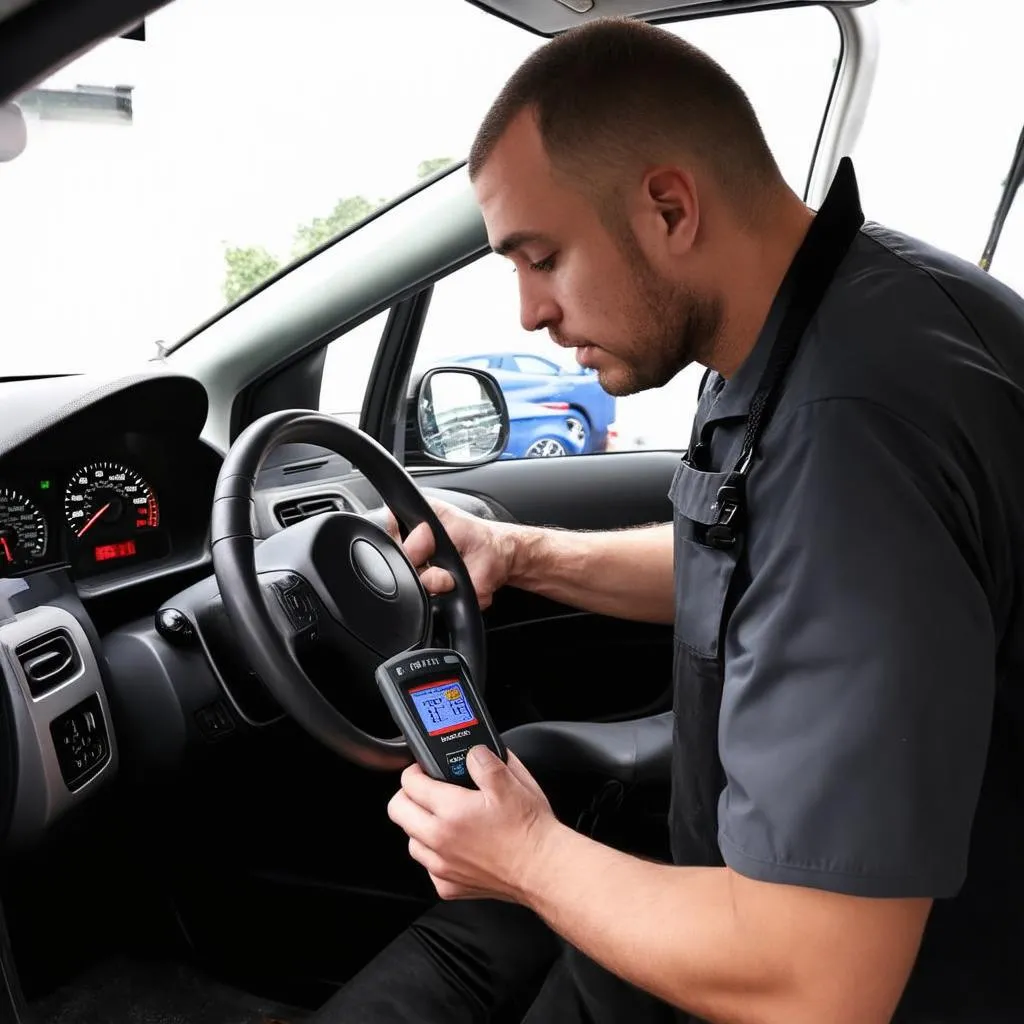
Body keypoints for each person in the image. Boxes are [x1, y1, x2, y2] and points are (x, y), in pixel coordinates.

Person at [313, 15, 1024, 1024]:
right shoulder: (827, 316)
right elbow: (761, 563)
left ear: (667, 208)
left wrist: (523, 854)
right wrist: (516, 551)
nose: (526, 312)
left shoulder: (855, 429)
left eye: (541, 255)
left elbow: (816, 981)